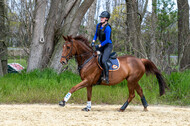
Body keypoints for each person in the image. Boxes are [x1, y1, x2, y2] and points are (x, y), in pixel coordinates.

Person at [91, 11, 113, 84]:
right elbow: (96, 34)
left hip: (107, 46)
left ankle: (106, 77)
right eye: (101, 17)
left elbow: (107, 40)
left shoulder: (108, 28)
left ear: (106, 19)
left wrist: (99, 45)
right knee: (93, 56)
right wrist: (93, 41)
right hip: (102, 45)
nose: (101, 19)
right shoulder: (98, 25)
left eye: (102, 18)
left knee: (103, 60)